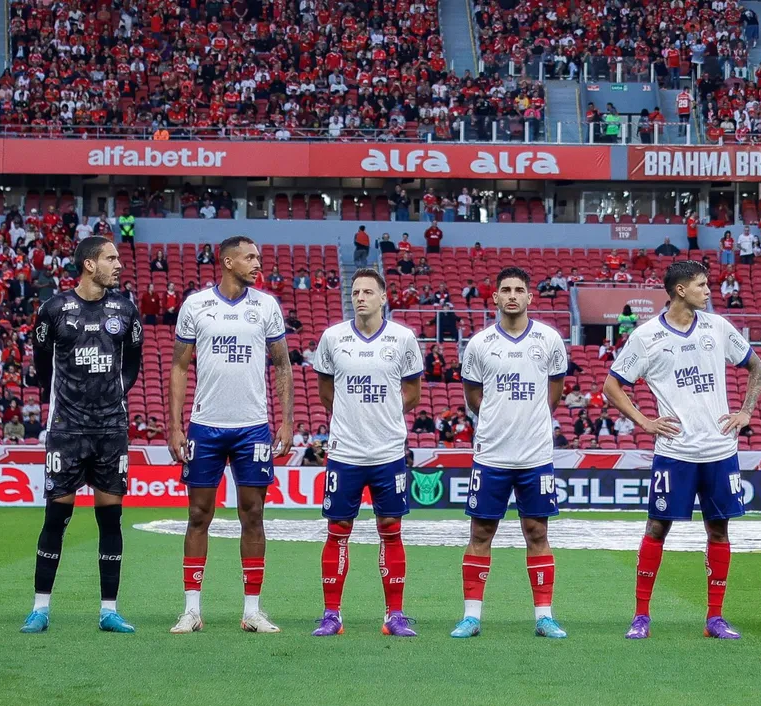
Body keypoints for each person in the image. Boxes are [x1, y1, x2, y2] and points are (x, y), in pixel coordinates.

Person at [603, 260, 761, 640]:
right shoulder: (646, 337)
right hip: (675, 452)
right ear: (680, 290)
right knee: (657, 527)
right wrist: (645, 422)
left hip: (719, 449)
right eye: (702, 285)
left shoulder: (718, 327)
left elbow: (758, 368)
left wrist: (745, 412)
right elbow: (612, 386)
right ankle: (641, 616)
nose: (709, 291)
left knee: (719, 529)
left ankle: (715, 618)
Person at [167, 236, 294, 635]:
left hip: (252, 426)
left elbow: (283, 365)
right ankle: (191, 610)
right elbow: (179, 366)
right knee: (198, 515)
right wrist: (174, 425)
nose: (259, 263)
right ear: (227, 261)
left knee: (253, 515)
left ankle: (252, 610)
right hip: (206, 425)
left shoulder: (266, 306)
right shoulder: (196, 305)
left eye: (259, 256)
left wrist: (286, 421)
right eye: (251, 257)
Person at [20, 236, 143, 634]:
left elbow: (133, 365)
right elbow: (41, 366)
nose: (118, 265)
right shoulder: (54, 309)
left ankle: (109, 610)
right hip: (66, 431)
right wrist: (67, 401)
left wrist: (113, 396)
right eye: (110, 258)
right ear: (89, 264)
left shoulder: (125, 310)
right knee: (56, 518)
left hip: (111, 430)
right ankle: (40, 609)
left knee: (111, 520)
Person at [450, 267, 569, 640]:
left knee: (537, 531)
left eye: (519, 289)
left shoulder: (549, 340)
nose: (513, 295)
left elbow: (555, 389)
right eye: (506, 290)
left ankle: (544, 616)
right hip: (492, 455)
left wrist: (533, 420)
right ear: (496, 297)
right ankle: (471, 616)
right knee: (481, 531)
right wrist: (498, 420)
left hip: (535, 455)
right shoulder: (480, 344)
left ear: (530, 297)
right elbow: (473, 396)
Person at [309, 268, 424, 637]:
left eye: (368, 292)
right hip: (345, 452)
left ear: (383, 296)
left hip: (388, 452)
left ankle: (395, 616)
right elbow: (326, 392)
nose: (360, 297)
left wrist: (384, 416)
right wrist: (350, 417)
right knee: (338, 530)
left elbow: (412, 393)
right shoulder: (333, 338)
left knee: (391, 530)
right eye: (356, 292)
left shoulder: (404, 339)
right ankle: (331, 615)